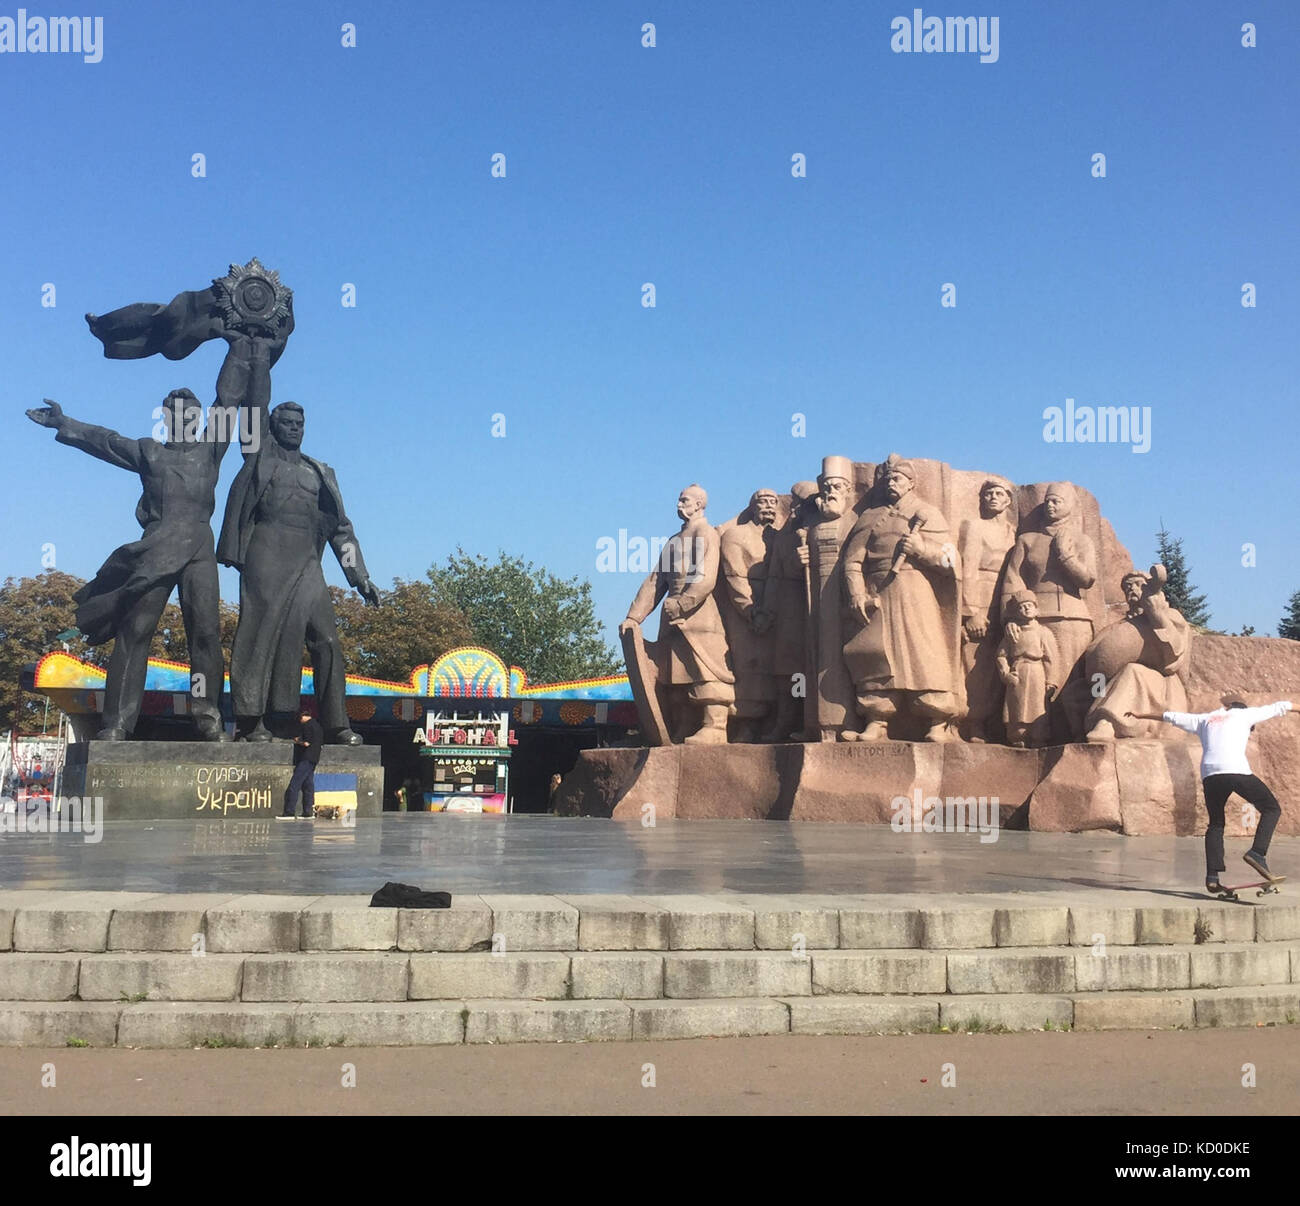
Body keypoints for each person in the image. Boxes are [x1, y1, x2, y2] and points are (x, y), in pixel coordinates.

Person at [26, 389, 239, 741]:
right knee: (135, 632)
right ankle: (118, 723)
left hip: (200, 548)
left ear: (200, 421)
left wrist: (249, 345)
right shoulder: (149, 451)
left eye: (190, 416)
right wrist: (64, 423)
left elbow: (228, 400)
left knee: (205, 634)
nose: (183, 421)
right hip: (157, 546)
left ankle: (208, 717)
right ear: (166, 419)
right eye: (176, 415)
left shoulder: (210, 451)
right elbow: (106, 441)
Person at [218, 401, 380, 742]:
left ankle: (337, 723)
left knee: (327, 640)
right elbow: (252, 405)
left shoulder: (319, 472)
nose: (294, 428)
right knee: (260, 636)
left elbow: (340, 528)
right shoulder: (260, 460)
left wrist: (359, 576)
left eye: (299, 423)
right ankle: (253, 722)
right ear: (273, 426)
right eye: (287, 422)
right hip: (265, 557)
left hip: (307, 560)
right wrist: (258, 353)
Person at [1127, 700, 1293, 891]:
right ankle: (1257, 853)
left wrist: (1140, 714)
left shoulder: (1205, 719)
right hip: (1235, 770)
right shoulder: (1245, 715)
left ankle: (1212, 878)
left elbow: (1170, 716)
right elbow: (1283, 705)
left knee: (1216, 823)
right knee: (1272, 808)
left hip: (1210, 775)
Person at [281, 709, 324, 819]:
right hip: (315, 758)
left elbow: (306, 743)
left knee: (294, 784)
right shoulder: (318, 726)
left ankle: (289, 812)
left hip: (306, 758)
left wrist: (297, 741)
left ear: (302, 717)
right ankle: (307, 812)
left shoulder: (307, 726)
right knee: (308, 785)